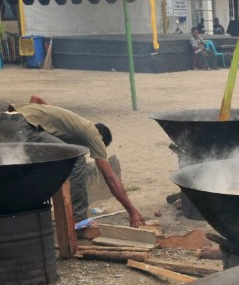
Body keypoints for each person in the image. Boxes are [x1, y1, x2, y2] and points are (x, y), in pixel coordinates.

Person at [0, 96, 145, 227]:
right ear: (100, 140)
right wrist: (132, 211)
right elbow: (110, 178)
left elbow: (36, 99)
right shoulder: (93, 135)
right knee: (75, 159)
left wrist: (37, 117)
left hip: (6, 119)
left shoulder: (70, 121)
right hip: (22, 126)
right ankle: (78, 219)